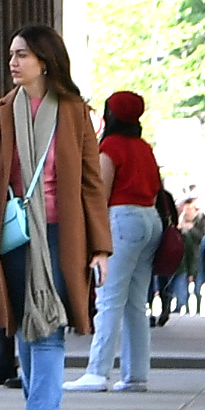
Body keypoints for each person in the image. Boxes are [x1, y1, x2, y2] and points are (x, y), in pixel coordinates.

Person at [0, 25, 103, 410]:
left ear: (44, 60)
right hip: (15, 234)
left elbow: (92, 184)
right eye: (11, 54)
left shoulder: (75, 113)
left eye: (21, 54)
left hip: (63, 235)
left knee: (48, 327)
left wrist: (100, 248)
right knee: (25, 327)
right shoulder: (0, 112)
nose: (13, 62)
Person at [76, 90, 170, 391]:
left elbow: (100, 193)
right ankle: (136, 375)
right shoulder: (145, 148)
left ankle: (97, 372)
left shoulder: (110, 146)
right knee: (136, 303)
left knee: (108, 299)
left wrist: (92, 235)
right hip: (149, 220)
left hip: (121, 219)